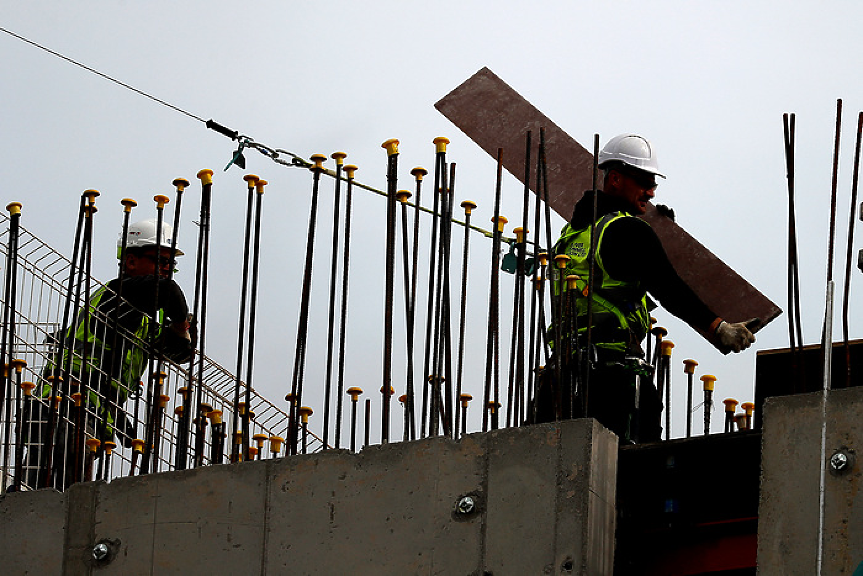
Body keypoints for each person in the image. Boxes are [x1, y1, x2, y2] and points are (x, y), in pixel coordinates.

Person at [532, 134, 755, 443]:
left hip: (562, 378)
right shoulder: (628, 230)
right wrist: (718, 328)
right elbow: (668, 286)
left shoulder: (572, 233)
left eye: (653, 185)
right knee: (630, 467)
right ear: (615, 179)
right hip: (611, 380)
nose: (650, 192)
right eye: (643, 183)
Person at [27, 218, 192, 488]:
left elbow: (182, 353)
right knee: (56, 488)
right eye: (160, 260)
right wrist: (180, 324)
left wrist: (180, 329)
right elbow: (168, 292)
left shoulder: (140, 321)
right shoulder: (115, 297)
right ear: (131, 261)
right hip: (64, 400)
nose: (166, 268)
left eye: (170, 263)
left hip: (92, 409)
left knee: (66, 487)